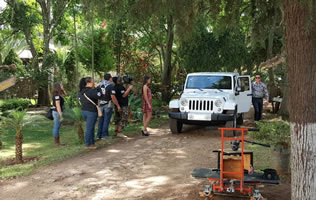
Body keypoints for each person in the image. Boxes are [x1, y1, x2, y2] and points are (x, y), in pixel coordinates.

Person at [79, 77, 104, 149]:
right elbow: (101, 96)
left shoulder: (82, 91)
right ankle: (88, 144)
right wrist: (98, 88)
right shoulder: (91, 91)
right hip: (91, 111)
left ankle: (92, 143)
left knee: (91, 127)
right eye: (93, 82)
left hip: (84, 111)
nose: (94, 83)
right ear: (88, 83)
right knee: (89, 128)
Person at [97, 74, 120, 139]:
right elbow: (112, 96)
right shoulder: (111, 85)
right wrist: (117, 105)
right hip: (107, 104)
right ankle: (105, 135)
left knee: (101, 120)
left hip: (101, 105)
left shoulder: (99, 85)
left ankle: (99, 135)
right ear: (110, 78)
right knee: (106, 120)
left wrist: (98, 105)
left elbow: (98, 96)